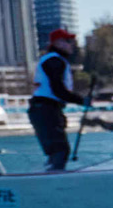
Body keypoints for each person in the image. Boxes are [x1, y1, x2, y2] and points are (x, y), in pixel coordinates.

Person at [27, 27, 88, 172]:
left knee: (58, 149)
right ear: (58, 43)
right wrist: (81, 100)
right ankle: (54, 178)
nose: (72, 45)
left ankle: (53, 173)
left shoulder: (54, 59)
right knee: (59, 149)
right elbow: (58, 89)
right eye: (68, 41)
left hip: (46, 109)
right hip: (46, 109)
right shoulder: (54, 60)